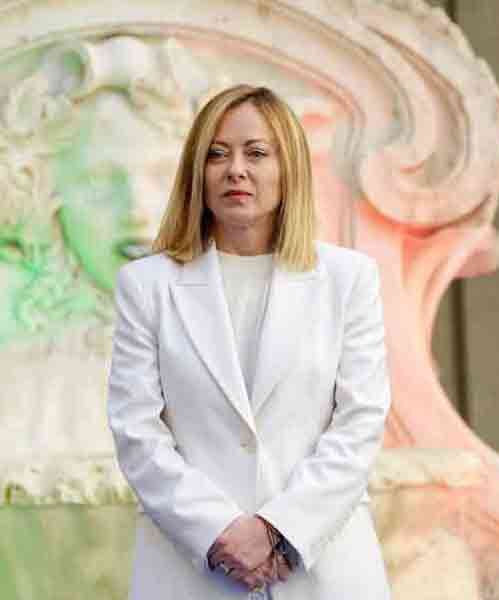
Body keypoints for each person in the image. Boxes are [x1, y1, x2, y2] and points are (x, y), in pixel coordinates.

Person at [107, 84, 392, 599]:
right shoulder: (146, 285)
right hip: (192, 572)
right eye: (217, 154)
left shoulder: (348, 279)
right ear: (197, 172)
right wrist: (220, 531)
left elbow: (361, 421)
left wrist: (280, 529)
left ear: (289, 168)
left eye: (256, 153)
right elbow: (137, 431)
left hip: (323, 568)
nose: (235, 170)